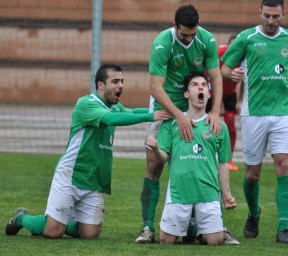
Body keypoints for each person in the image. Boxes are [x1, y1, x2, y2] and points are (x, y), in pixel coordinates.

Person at [5, 64, 171, 239]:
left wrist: (167, 111)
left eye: (122, 81)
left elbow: (130, 111)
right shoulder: (86, 103)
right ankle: (21, 218)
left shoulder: (115, 106)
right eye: (115, 81)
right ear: (100, 85)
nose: (120, 85)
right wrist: (150, 117)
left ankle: (62, 221)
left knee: (90, 234)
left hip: (94, 180)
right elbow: (111, 119)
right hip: (71, 176)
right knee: (52, 232)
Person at [220, 0, 288, 244]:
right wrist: (231, 74)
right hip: (254, 114)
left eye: (276, 16)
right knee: (252, 174)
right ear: (259, 13)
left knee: (284, 165)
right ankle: (254, 214)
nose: (271, 21)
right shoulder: (246, 37)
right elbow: (223, 69)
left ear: (284, 14)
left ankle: (283, 228)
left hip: (283, 112)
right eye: (267, 16)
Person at [136, 4, 225, 243]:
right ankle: (147, 227)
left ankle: (207, 225)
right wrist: (178, 115)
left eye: (193, 34)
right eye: (185, 34)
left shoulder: (206, 39)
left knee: (202, 163)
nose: (189, 38)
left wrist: (215, 111)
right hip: (166, 108)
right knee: (154, 166)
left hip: (195, 107)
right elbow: (155, 86)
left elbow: (215, 76)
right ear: (174, 26)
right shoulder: (162, 43)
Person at [145, 71, 236, 245]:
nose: (200, 87)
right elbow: (164, 157)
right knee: (165, 241)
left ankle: (195, 226)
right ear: (186, 94)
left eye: (204, 85)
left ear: (209, 94)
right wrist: (156, 148)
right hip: (179, 193)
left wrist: (227, 195)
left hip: (208, 193)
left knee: (215, 241)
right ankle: (191, 227)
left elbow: (223, 163)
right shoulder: (172, 123)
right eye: (195, 85)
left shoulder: (219, 126)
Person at [218, 34, 243, 171]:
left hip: (230, 93)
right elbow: (208, 73)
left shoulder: (245, 57)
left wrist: (240, 101)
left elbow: (246, 80)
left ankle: (229, 160)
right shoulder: (219, 53)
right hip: (213, 91)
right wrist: (216, 101)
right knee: (208, 122)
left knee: (230, 120)